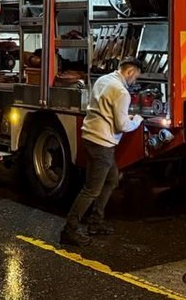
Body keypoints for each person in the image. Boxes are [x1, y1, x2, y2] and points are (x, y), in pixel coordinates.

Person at [61, 57, 145, 246]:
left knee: (112, 179)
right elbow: (122, 125)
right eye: (136, 77)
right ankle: (69, 229)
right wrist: (137, 120)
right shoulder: (122, 92)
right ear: (130, 72)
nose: (135, 81)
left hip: (91, 138)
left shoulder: (103, 80)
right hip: (102, 143)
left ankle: (96, 222)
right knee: (91, 189)